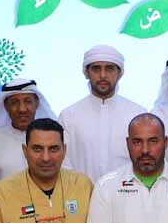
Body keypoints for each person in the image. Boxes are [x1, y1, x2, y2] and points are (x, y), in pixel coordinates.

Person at [59, 44, 148, 180]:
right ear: (86, 73)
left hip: (129, 191)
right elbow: (63, 162)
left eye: (109, 68)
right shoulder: (68, 116)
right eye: (96, 69)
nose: (102, 75)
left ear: (119, 73)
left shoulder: (138, 114)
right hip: (83, 192)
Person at [0, 79, 54, 195]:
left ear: (37, 103)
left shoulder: (54, 138)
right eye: (14, 102)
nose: (22, 109)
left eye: (28, 101)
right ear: (6, 106)